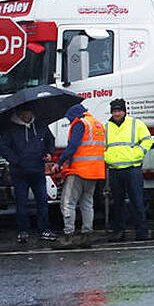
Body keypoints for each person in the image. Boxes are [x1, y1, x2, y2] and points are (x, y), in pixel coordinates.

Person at [0, 106, 57, 243]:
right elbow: (3, 148)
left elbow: (50, 140)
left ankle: (43, 230)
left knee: (42, 201)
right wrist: (16, 160)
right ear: (20, 114)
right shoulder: (11, 128)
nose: (27, 115)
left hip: (37, 169)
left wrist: (49, 153)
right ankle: (23, 231)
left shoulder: (40, 125)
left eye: (29, 112)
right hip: (20, 172)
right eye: (24, 113)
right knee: (21, 203)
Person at [52, 104, 106, 247]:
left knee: (68, 202)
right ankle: (87, 235)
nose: (70, 122)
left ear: (75, 116)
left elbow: (73, 146)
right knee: (87, 203)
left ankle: (68, 236)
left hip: (79, 170)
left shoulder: (80, 123)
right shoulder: (97, 124)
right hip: (95, 171)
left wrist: (59, 162)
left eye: (70, 119)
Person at [104, 98, 153, 242]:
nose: (117, 113)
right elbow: (101, 146)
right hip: (114, 170)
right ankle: (119, 232)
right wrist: (107, 157)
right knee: (117, 203)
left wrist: (137, 153)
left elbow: (147, 140)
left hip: (133, 169)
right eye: (114, 111)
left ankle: (142, 232)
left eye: (119, 110)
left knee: (137, 202)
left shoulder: (136, 124)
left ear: (124, 111)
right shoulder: (106, 127)